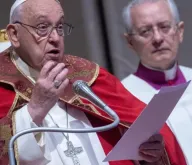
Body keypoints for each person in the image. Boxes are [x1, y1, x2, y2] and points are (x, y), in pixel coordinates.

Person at [0, 0, 176, 164]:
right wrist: (35, 110)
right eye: (42, 27)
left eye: (60, 27)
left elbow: (133, 136)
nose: (55, 37)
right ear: (14, 35)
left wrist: (146, 151)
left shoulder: (86, 74)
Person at [122, 0, 192, 165]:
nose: (158, 38)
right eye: (145, 31)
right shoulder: (123, 98)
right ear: (130, 42)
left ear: (180, 31)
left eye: (164, 27)